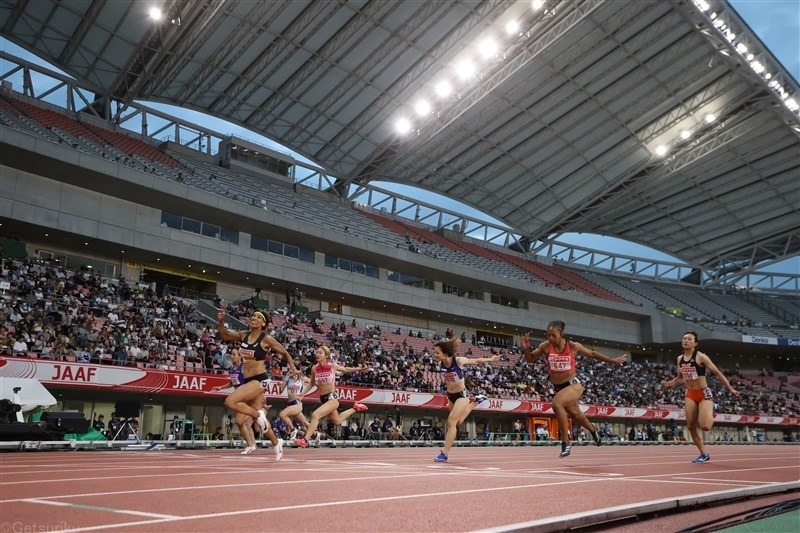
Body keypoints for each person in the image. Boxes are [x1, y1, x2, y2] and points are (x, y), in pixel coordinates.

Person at [521, 321, 627, 458]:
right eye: (548, 335)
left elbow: (593, 353)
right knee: (576, 415)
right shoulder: (545, 346)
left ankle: (566, 442)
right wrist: (526, 349)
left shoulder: (573, 346)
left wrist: (613, 361)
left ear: (562, 334)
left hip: (573, 385)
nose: (550, 339)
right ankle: (594, 432)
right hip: (558, 388)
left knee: (557, 404)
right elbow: (530, 359)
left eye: (554, 335)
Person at [217, 307, 297, 456]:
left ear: (263, 323)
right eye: (252, 316)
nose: (253, 318)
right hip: (248, 381)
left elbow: (284, 352)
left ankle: (258, 415)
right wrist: (221, 321)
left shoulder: (266, 339)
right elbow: (224, 335)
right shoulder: (243, 335)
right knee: (246, 420)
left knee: (230, 401)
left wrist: (293, 369)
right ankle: (276, 442)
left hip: (260, 380)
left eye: (257, 317)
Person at [660, 331, 739, 463]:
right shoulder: (680, 359)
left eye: (689, 339)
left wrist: (730, 388)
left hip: (703, 393)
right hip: (690, 394)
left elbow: (717, 372)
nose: (685, 341)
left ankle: (711, 409)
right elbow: (680, 379)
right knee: (690, 426)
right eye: (684, 338)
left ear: (695, 343)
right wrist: (669, 384)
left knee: (705, 426)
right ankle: (704, 454)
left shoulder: (701, 357)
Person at [432, 337, 500, 463]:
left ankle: (444, 454)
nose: (435, 355)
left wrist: (491, 359)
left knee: (451, 422)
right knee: (457, 423)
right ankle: (475, 401)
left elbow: (475, 361)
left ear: (445, 353)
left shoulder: (458, 361)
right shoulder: (440, 364)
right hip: (450, 395)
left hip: (461, 395)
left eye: (437, 353)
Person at [293, 345, 368, 448]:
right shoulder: (314, 368)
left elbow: (345, 369)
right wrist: (302, 394)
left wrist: (359, 369)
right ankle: (355, 408)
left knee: (315, 415)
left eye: (320, 353)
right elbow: (311, 383)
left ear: (326, 355)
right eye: (317, 352)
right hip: (323, 398)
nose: (317, 354)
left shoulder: (332, 366)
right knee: (337, 421)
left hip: (332, 398)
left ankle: (305, 440)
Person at [278, 368, 311, 440]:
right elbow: (281, 391)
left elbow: (312, 382)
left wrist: (303, 393)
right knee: (305, 423)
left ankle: (293, 430)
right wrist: (281, 384)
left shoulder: (302, 379)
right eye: (291, 370)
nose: (292, 372)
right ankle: (317, 434)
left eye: (293, 370)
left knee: (282, 414)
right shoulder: (288, 379)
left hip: (297, 403)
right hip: (290, 403)